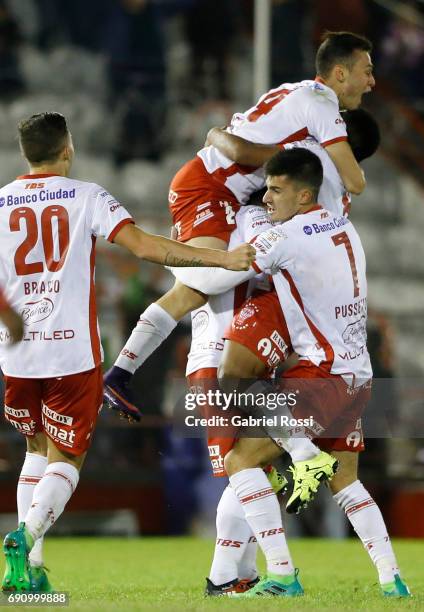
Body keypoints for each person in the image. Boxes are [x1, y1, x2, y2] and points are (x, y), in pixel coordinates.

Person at [104, 30, 375, 495]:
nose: (372, 82)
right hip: (209, 187)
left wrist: (218, 136)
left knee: (199, 286)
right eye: (367, 71)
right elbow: (355, 180)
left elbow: (246, 148)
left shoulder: (294, 97)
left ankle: (122, 373)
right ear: (340, 73)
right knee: (201, 280)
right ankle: (121, 373)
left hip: (214, 184)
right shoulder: (322, 113)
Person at [0, 112, 254, 593]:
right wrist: (220, 257)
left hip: (15, 355)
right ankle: (25, 535)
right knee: (65, 459)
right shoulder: (86, 196)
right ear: (67, 148)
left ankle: (29, 575)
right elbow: (145, 248)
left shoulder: (0, 203)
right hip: (72, 353)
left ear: (25, 154)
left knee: (34, 450)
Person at [178, 148, 409, 598]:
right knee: (347, 482)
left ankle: (283, 573)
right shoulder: (345, 226)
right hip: (358, 374)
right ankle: (392, 580)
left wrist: (170, 256)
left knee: (240, 457)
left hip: (319, 372)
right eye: (266, 187)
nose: (267, 198)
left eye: (277, 190)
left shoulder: (287, 237)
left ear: (305, 195)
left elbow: (221, 276)